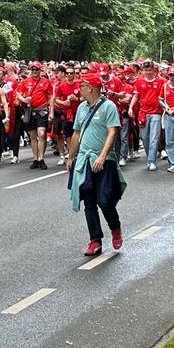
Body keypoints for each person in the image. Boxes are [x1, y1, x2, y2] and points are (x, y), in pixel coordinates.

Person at [67, 73, 125, 256]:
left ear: (91, 87)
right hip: (84, 160)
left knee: (105, 200)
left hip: (103, 161)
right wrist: (71, 157)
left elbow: (112, 132)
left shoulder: (108, 106)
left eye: (82, 85)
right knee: (89, 202)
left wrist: (102, 156)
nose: (79, 89)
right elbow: (76, 133)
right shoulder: (81, 108)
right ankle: (95, 240)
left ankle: (115, 227)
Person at [130, 61, 165, 171]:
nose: (148, 72)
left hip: (156, 113)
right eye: (146, 70)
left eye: (150, 70)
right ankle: (150, 157)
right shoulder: (139, 81)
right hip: (143, 113)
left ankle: (151, 161)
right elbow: (136, 95)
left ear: (154, 70)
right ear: (142, 71)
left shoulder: (161, 81)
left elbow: (165, 96)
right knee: (145, 138)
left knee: (154, 138)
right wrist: (131, 107)